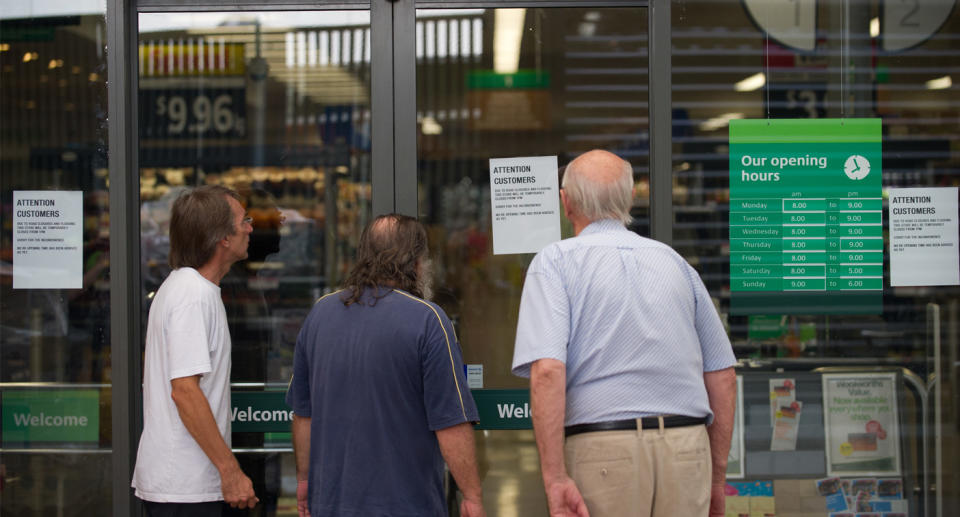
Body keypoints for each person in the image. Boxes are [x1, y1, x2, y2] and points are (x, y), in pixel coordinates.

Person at [511, 149, 737, 517]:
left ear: (565, 203)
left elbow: (548, 372)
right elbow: (723, 376)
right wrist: (715, 479)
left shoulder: (555, 262)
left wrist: (554, 478)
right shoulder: (676, 264)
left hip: (603, 450)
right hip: (687, 448)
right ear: (631, 198)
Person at [286, 214, 486, 517]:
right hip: (405, 505)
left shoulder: (320, 314)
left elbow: (303, 414)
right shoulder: (429, 320)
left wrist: (304, 480)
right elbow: (451, 423)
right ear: (416, 261)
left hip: (330, 503)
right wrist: (471, 496)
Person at [132, 185, 259, 516]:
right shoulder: (192, 296)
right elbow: (185, 392)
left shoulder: (187, 288)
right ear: (222, 239)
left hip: (182, 485)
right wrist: (230, 471)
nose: (250, 227)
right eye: (243, 220)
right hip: (184, 489)